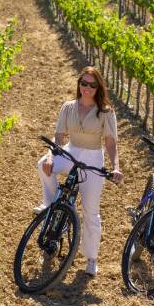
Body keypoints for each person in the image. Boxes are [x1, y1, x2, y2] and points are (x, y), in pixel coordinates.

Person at [35, 66, 122, 277]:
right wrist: (49, 156)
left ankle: (91, 258)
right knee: (42, 166)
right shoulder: (68, 107)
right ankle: (51, 206)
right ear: (79, 84)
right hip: (70, 152)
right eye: (84, 83)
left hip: (92, 157)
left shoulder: (105, 112)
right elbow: (58, 137)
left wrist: (116, 167)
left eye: (92, 85)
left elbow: (110, 142)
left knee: (91, 212)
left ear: (98, 87)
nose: (87, 88)